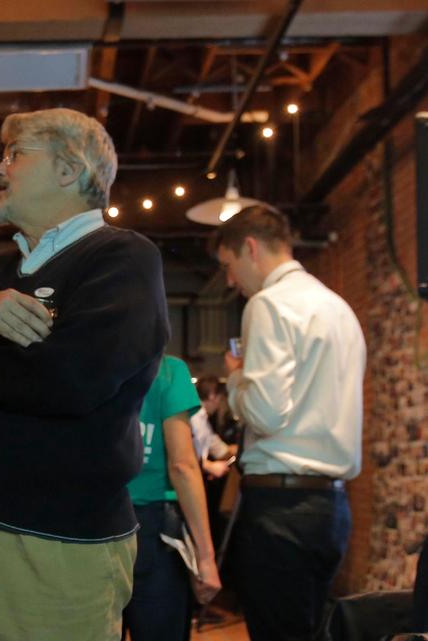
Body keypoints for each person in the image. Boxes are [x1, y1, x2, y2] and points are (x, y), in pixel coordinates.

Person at [0, 108, 169, 641]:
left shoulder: (122, 257)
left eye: (16, 154)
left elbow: (70, 380)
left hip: (55, 539)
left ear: (68, 170)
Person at [215, 205, 365, 641]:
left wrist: (236, 377)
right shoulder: (339, 308)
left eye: (228, 266)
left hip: (280, 509)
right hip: (332, 507)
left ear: (250, 247)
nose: (230, 281)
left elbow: (265, 413)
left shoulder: (269, 304)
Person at [122, 355, 222, 641]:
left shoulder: (83, 361)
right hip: (153, 529)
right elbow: (183, 465)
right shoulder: (167, 369)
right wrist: (206, 558)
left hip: (94, 524)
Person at [191, 376, 236, 479]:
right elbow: (184, 453)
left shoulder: (203, 418)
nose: (218, 405)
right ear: (212, 396)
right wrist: (210, 466)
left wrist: (235, 450)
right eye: (219, 399)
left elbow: (216, 447)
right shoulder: (195, 417)